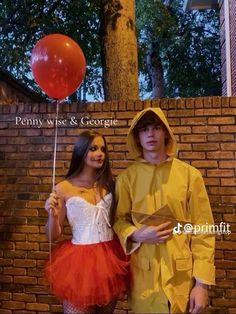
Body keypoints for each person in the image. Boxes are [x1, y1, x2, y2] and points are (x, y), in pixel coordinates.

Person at [114, 107, 215, 314]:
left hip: (182, 279)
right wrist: (135, 233)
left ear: (166, 133)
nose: (150, 134)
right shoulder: (126, 179)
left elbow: (203, 228)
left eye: (156, 128)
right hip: (144, 278)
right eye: (144, 129)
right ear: (137, 136)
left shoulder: (190, 176)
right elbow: (118, 221)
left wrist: (202, 284)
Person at [44, 130, 129, 314]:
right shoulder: (63, 187)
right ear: (81, 150)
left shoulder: (110, 185)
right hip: (78, 263)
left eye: (103, 149)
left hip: (110, 259)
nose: (99, 154)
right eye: (93, 148)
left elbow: (119, 220)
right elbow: (53, 235)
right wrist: (52, 214)